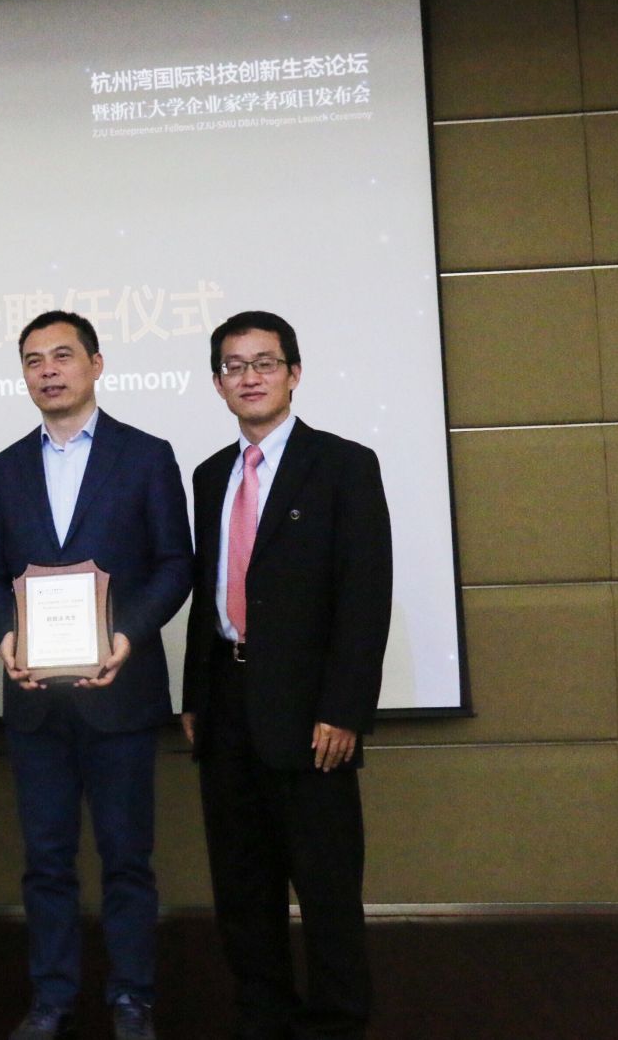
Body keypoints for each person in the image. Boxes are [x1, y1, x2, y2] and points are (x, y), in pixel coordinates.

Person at [0, 310, 192, 1040]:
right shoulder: (4, 468)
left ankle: (132, 997)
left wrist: (126, 635)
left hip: (120, 695)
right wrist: (5, 635)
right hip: (35, 700)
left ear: (96, 364)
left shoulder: (146, 455)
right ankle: (52, 998)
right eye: (34, 360)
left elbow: (175, 564)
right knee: (46, 861)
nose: (48, 371)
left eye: (62, 356)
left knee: (127, 858)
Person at [180, 311, 392, 1040]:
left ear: (294, 373)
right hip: (226, 704)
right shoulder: (210, 475)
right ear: (218, 383)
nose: (250, 378)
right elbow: (208, 593)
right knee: (243, 883)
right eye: (234, 366)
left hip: (310, 712)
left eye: (265, 363)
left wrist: (346, 709)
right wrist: (194, 696)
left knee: (326, 884)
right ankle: (263, 1014)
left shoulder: (343, 465)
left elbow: (365, 596)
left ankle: (336, 1021)